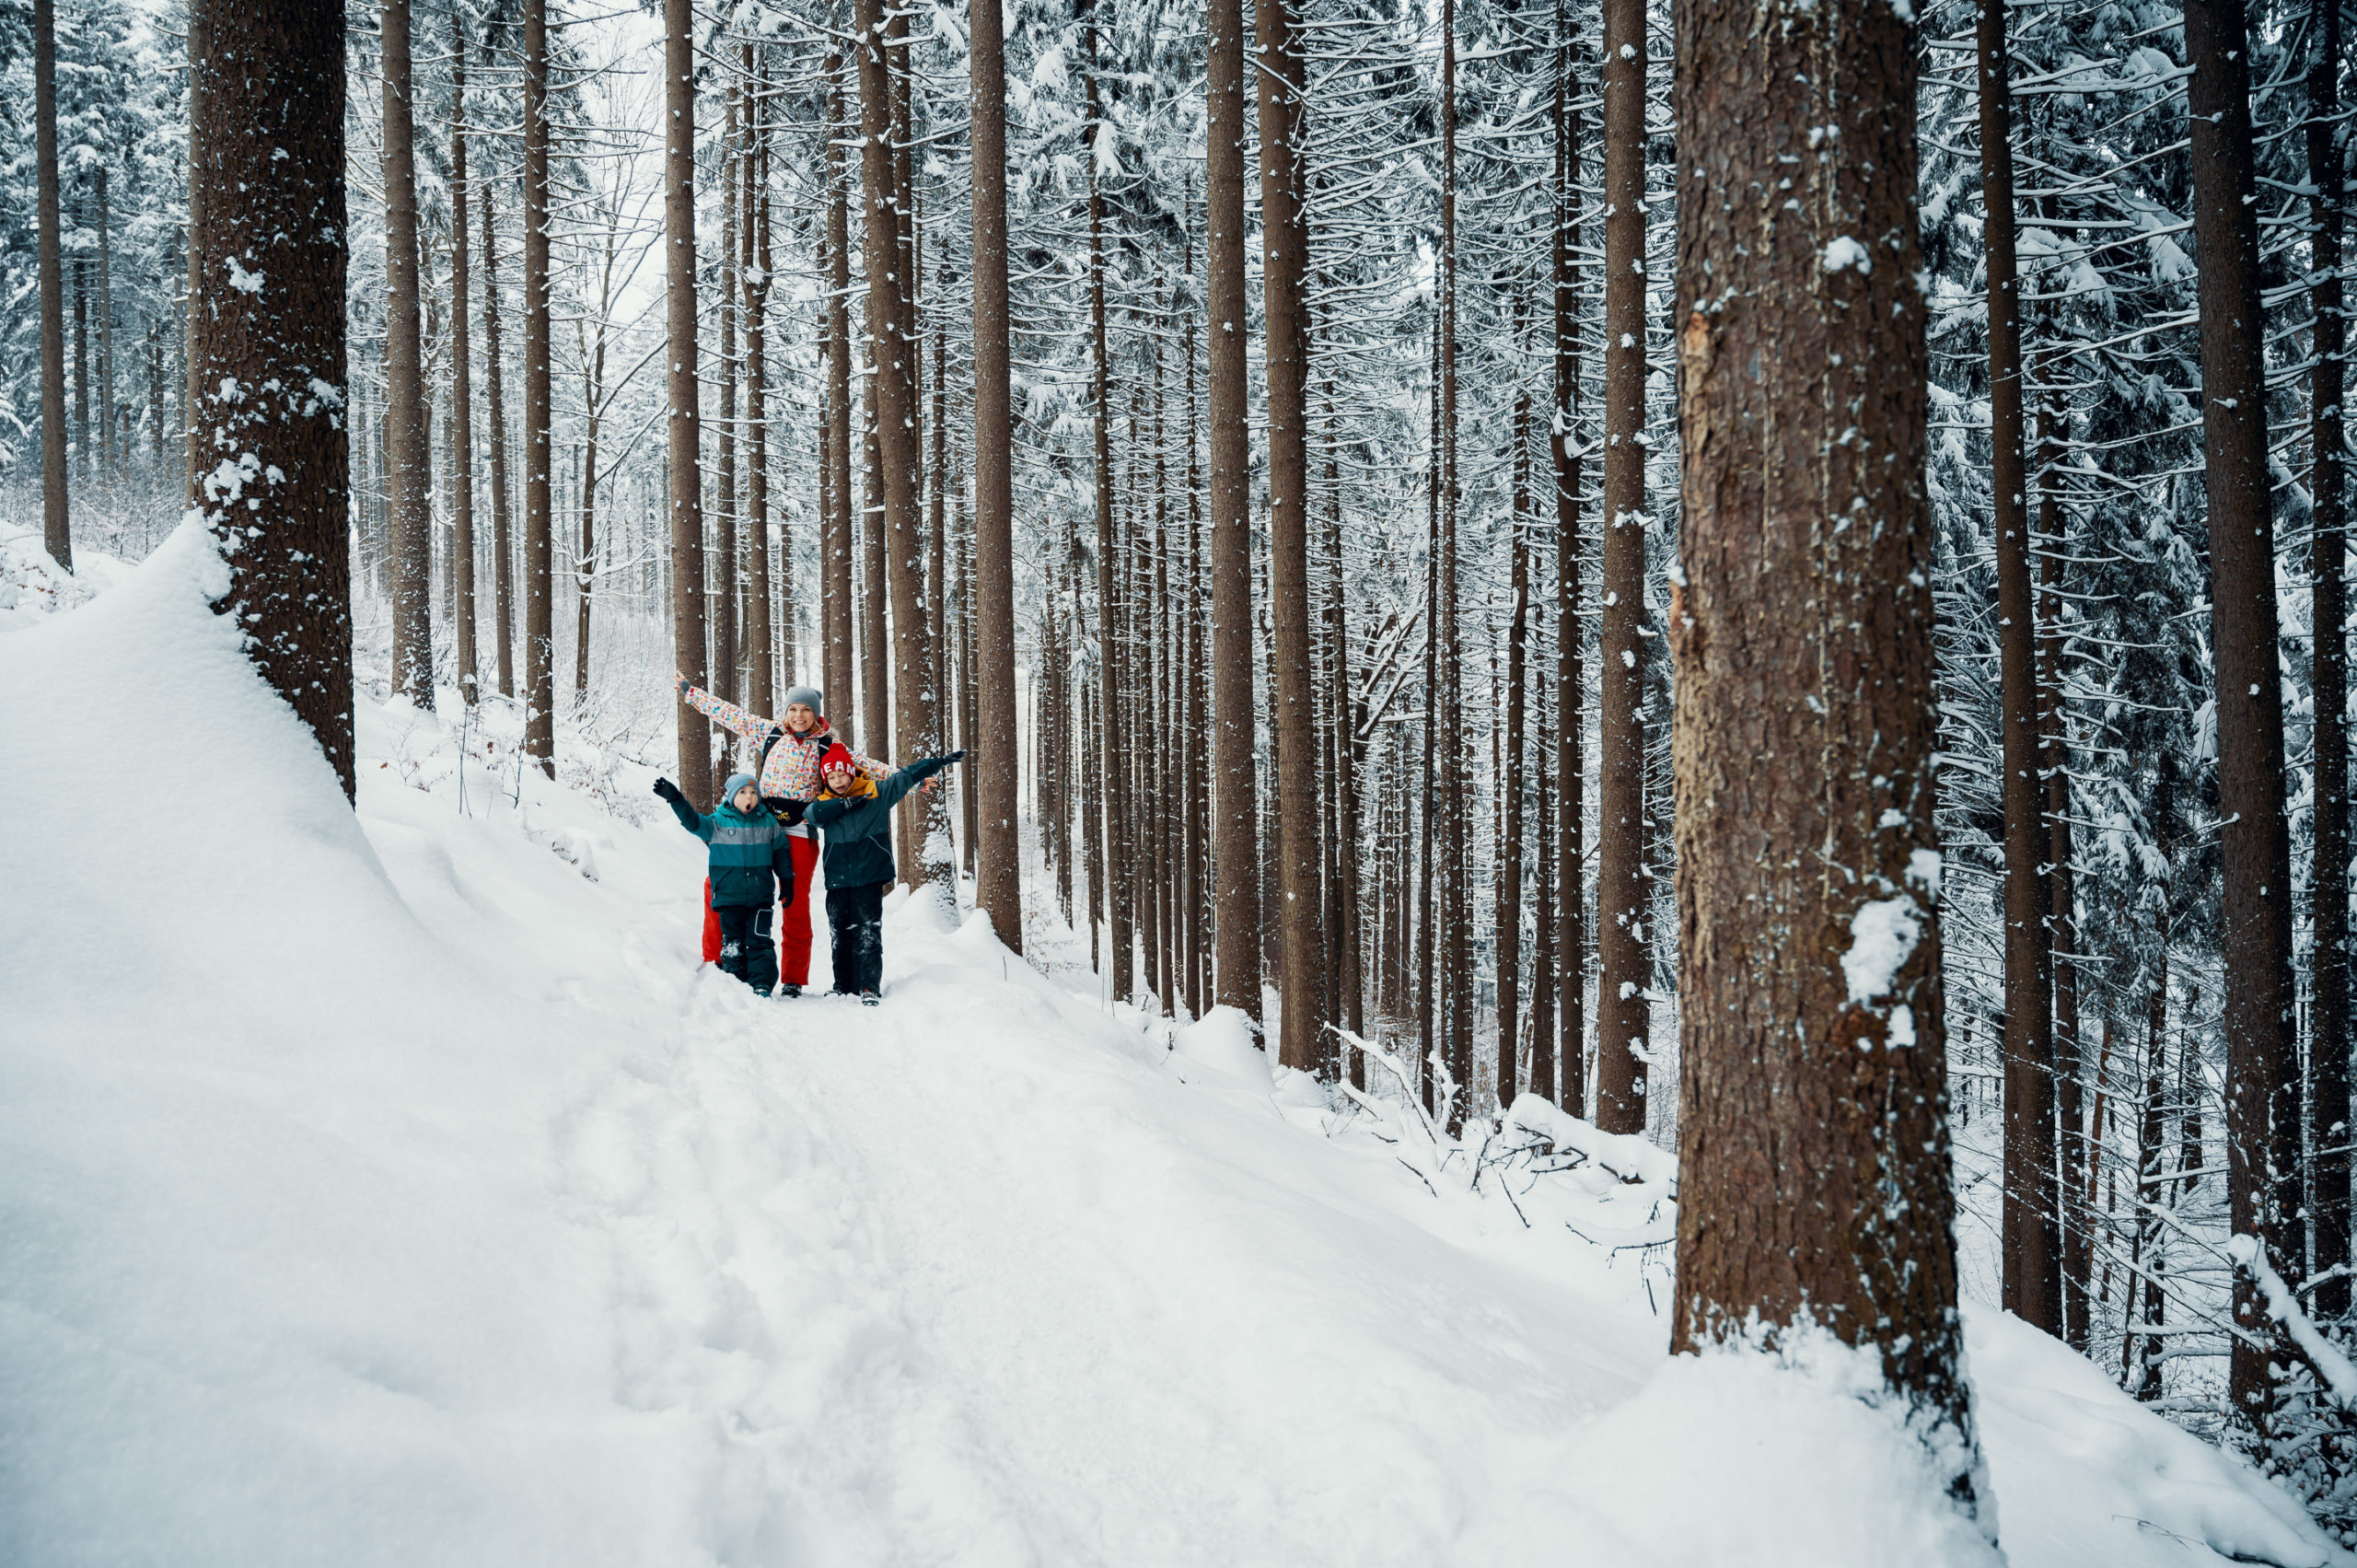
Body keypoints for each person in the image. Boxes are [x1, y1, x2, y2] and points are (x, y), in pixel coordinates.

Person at [676, 677, 888, 997]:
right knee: (718, 887)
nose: (799, 716)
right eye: (793, 709)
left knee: (795, 902)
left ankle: (793, 977)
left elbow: (865, 765)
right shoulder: (770, 733)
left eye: (806, 710)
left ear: (816, 715)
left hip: (800, 833)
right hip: (758, 828)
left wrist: (912, 780)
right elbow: (731, 715)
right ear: (785, 712)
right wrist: (692, 693)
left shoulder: (828, 745)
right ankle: (716, 958)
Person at [803, 744, 964, 1004]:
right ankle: (842, 985)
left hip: (869, 875)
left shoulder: (875, 794)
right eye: (831, 777)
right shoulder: (824, 803)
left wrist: (939, 762)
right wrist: (844, 804)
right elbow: (811, 815)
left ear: (851, 773)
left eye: (841, 774)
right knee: (839, 934)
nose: (837, 781)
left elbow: (906, 776)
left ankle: (868, 987)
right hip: (837, 878)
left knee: (868, 931)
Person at [654, 772, 796, 996]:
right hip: (730, 897)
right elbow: (692, 822)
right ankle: (736, 985)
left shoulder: (767, 822)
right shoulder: (717, 823)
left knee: (760, 941)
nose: (749, 797)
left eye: (753, 792)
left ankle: (761, 984)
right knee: (733, 944)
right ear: (731, 796)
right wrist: (675, 799)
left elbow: (781, 851)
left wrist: (786, 879)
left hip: (761, 896)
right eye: (742, 792)